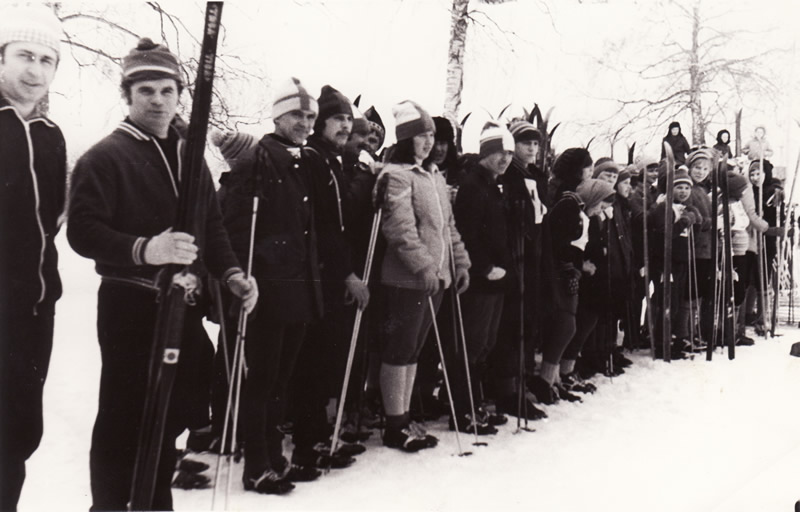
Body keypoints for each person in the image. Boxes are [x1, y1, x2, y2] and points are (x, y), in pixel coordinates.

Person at [67, 38, 258, 510]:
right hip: (130, 304)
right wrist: (145, 249)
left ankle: (153, 499)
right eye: (146, 90)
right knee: (125, 417)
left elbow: (211, 224)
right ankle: (111, 504)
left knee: (176, 408)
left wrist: (232, 273)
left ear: (179, 96)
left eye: (167, 90)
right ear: (127, 95)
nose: (157, 100)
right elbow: (83, 231)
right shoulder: (105, 156)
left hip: (182, 303)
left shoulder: (190, 157)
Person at [219, 77, 324, 494]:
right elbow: (233, 226)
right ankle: (257, 464)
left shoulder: (303, 161)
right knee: (262, 380)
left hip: (298, 289)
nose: (305, 123)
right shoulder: (258, 160)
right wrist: (256, 266)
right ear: (278, 117)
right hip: (266, 289)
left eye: (310, 116)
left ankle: (275, 457)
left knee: (281, 379)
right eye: (297, 114)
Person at [375, 100, 470, 451]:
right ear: (405, 139)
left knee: (414, 349)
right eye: (421, 135)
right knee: (400, 349)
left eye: (431, 135)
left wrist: (460, 263)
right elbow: (400, 229)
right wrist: (424, 266)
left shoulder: (434, 176)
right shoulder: (397, 175)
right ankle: (394, 422)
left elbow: (448, 227)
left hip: (437, 278)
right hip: (407, 279)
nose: (429, 142)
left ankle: (403, 415)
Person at [0, 8, 65, 510]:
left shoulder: (49, 134)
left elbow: (51, 221)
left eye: (47, 60)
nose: (35, 70)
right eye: (25, 56)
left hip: (36, 309)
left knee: (19, 432)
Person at [289, 84, 370, 475]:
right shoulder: (313, 161)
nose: (345, 126)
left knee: (325, 362)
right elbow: (324, 228)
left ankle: (319, 436)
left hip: (329, 278)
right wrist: (347, 274)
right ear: (320, 122)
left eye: (348, 120)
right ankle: (306, 445)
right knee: (313, 363)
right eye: (338, 119)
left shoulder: (332, 161)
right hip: (318, 279)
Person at [450, 121, 516, 434]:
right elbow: (468, 232)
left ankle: (474, 405)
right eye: (499, 152)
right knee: (472, 344)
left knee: (485, 343)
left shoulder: (492, 184)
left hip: (496, 278)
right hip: (479, 279)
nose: (505, 159)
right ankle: (463, 410)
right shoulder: (473, 185)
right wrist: (485, 267)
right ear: (485, 152)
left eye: (509, 153)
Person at [492, 119, 547, 420]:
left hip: (532, 256)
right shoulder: (510, 176)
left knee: (527, 321)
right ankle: (507, 390)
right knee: (512, 325)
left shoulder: (535, 176)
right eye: (526, 143)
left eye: (536, 143)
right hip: (515, 257)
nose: (532, 148)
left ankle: (522, 383)